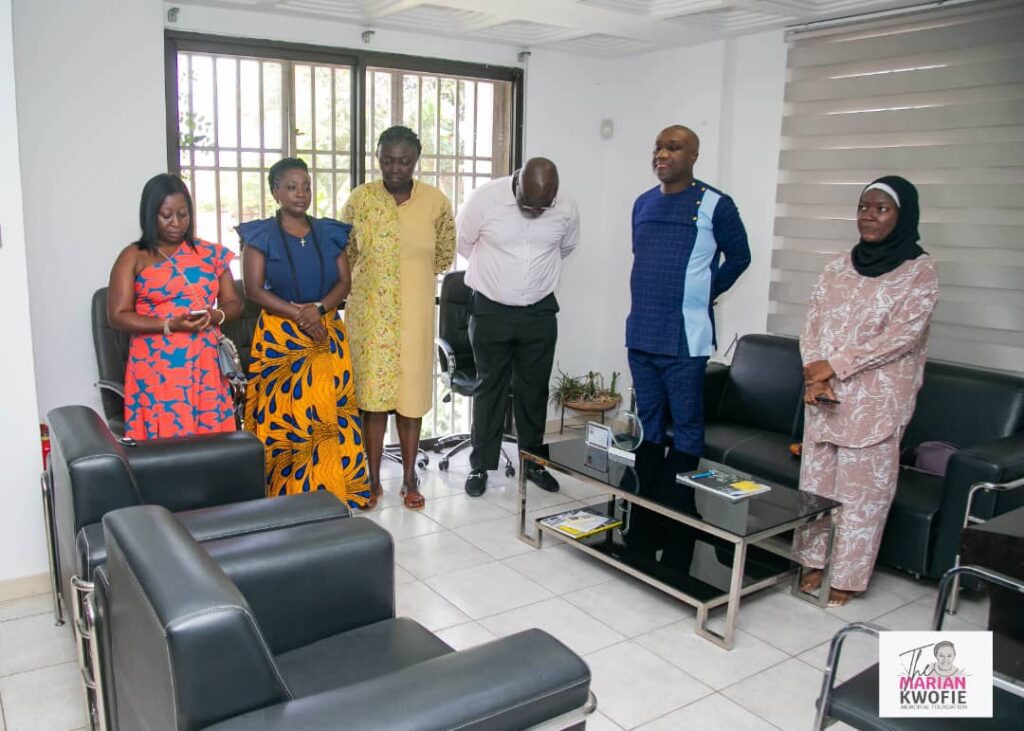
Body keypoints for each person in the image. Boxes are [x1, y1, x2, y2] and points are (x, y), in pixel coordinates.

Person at [795, 175, 939, 608]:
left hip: (874, 401)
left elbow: (902, 338)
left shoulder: (919, 271)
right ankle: (812, 560)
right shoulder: (837, 266)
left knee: (861, 495)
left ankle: (848, 576)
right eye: (863, 207)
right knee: (816, 484)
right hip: (823, 395)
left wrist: (836, 365)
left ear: (903, 215)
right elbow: (813, 322)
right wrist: (815, 372)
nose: (869, 216)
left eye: (881, 209)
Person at [236, 158, 370, 507]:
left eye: (306, 187)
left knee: (330, 416)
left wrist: (318, 310)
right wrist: (300, 314)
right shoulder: (260, 235)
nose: (301, 193)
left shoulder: (330, 232)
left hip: (326, 332)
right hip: (281, 337)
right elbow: (253, 290)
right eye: (291, 187)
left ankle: (335, 494)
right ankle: (286, 499)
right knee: (288, 418)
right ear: (275, 192)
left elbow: (345, 282)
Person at [626, 125, 751, 487]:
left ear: (694, 155)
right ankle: (646, 502)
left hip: (685, 337)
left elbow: (740, 257)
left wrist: (707, 291)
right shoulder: (643, 203)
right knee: (647, 424)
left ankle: (680, 506)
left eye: (673, 147)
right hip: (641, 332)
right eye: (658, 147)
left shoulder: (716, 204)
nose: (662, 154)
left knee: (686, 426)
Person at [342, 126, 456, 510]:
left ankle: (409, 478)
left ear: (416, 159)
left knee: (411, 399)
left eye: (404, 161)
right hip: (370, 318)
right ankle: (372, 480)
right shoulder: (360, 200)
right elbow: (346, 254)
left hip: (415, 316)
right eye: (387, 160)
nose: (394, 168)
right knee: (372, 402)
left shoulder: (436, 203)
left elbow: (444, 255)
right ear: (377, 158)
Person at [457, 158, 580, 497]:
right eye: (529, 204)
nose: (536, 211)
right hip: (490, 310)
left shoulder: (566, 205)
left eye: (544, 206)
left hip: (539, 311)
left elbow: (567, 246)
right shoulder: (485, 199)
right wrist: (501, 279)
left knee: (534, 391)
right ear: (517, 184)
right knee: (490, 388)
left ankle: (534, 464)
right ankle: (481, 466)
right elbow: (464, 243)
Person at [108, 173, 243, 440]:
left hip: (205, 363)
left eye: (183, 214)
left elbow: (235, 303)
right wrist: (169, 324)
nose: (176, 223)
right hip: (156, 366)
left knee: (211, 442)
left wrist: (215, 315)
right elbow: (117, 315)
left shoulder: (211, 254)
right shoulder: (134, 256)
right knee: (165, 444)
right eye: (166, 215)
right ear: (150, 215)